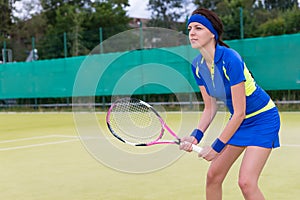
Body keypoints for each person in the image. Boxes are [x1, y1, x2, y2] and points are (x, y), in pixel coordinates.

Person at [179, 8, 281, 200]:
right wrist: (195, 137)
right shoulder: (197, 66)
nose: (192, 32)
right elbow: (210, 108)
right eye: (190, 28)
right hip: (239, 123)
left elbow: (239, 112)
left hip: (263, 119)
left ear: (212, 33)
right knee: (213, 176)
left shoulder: (230, 59)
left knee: (246, 182)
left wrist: (215, 148)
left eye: (198, 28)